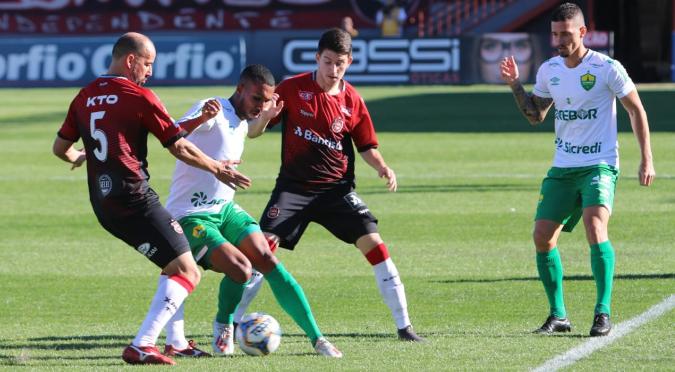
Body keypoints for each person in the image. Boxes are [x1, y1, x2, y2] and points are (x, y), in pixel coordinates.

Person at [52, 32, 251, 365]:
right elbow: (178, 144)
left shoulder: (84, 96)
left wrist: (78, 157)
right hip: (134, 197)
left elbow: (60, 148)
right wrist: (217, 167)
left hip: (103, 205)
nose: (150, 72)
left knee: (174, 264)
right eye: (147, 63)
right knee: (189, 270)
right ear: (131, 60)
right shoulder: (139, 96)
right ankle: (143, 344)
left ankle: (172, 341)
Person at [233, 27, 424, 342]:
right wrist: (265, 117)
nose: (333, 70)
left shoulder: (352, 100)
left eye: (340, 63)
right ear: (316, 58)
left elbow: (366, 146)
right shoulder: (293, 89)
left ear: (349, 62)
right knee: (260, 252)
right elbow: (254, 131)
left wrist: (382, 166)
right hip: (294, 189)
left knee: (376, 247)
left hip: (337, 191)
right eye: (327, 62)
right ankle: (231, 325)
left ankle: (405, 327)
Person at [162, 64, 342, 358]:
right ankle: (223, 325)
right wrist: (199, 118)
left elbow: (250, 129)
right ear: (240, 89)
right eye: (257, 99)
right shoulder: (214, 108)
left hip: (224, 209)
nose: (261, 106)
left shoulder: (245, 119)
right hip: (189, 215)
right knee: (241, 269)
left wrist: (266, 117)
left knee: (267, 259)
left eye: (266, 100)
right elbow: (172, 135)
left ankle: (318, 339)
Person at [500, 2, 655, 337]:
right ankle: (558, 315)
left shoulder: (606, 68)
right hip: (563, 166)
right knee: (542, 237)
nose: (559, 39)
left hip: (599, 164)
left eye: (566, 34)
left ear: (583, 32)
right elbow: (535, 116)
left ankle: (603, 312)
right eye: (555, 33)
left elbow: (636, 110)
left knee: (594, 225)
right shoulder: (549, 70)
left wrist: (647, 158)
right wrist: (515, 84)